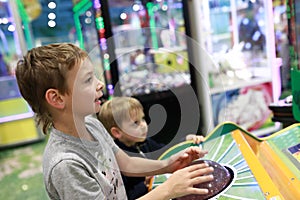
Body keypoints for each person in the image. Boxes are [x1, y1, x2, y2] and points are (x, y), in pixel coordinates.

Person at [15, 43, 214, 200]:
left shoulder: (91, 124)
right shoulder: (66, 164)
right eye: (88, 80)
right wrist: (168, 190)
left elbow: (125, 163)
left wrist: (167, 165)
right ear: (57, 98)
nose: (99, 84)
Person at [98, 96, 204, 200]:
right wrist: (144, 184)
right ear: (117, 132)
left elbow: (164, 150)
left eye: (143, 119)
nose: (143, 125)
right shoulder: (117, 160)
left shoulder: (144, 142)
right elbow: (127, 195)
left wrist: (185, 140)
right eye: (136, 123)